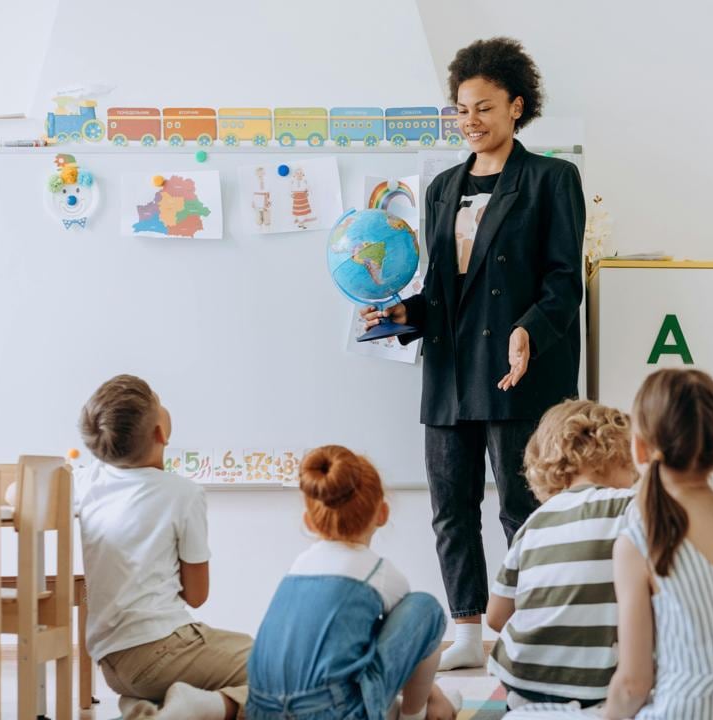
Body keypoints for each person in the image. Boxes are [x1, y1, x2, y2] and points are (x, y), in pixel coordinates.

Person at [362, 37, 585, 670]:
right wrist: (404, 313)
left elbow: (565, 280)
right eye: (461, 109)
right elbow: (442, 291)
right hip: (450, 372)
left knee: (524, 507)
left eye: (483, 108)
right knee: (450, 505)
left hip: (520, 373)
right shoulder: (441, 189)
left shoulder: (550, 179)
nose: (470, 121)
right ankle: (466, 631)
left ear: (517, 106)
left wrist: (530, 330)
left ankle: (532, 630)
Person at [77, 374, 249, 720]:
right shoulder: (183, 494)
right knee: (285, 668)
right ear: (160, 433)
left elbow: (19, 490)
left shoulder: (88, 480)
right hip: (162, 649)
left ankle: (145, 708)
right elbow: (197, 595)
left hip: (112, 664)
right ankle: (197, 709)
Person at [245, 445, 460, 720]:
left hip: (260, 709)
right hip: (332, 712)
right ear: (382, 513)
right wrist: (432, 694)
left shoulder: (296, 569)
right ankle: (415, 715)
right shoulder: (380, 573)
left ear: (309, 522)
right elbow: (407, 646)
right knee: (425, 609)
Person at [486, 400, 638, 709]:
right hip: (599, 687)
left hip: (522, 682)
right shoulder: (630, 505)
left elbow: (496, 616)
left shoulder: (533, 524)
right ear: (611, 454)